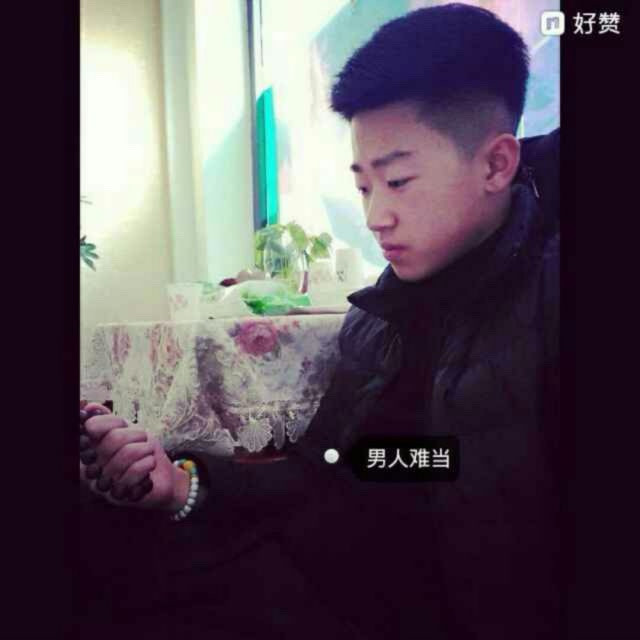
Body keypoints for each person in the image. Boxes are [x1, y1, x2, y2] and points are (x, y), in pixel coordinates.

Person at [78, 4, 562, 639]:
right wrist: (178, 485)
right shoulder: (380, 316)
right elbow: (333, 465)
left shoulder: (547, 298)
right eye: (363, 187)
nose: (376, 217)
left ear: (496, 165)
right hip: (329, 584)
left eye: (399, 181)